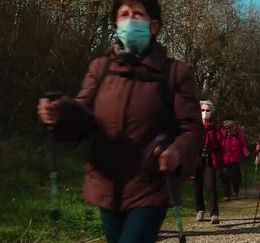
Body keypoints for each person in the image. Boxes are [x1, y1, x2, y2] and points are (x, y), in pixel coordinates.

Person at [37, 0, 204, 242]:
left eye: (138, 14)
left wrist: (177, 152)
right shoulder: (99, 68)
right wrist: (60, 113)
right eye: (124, 14)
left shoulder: (174, 72)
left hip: (150, 186)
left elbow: (192, 129)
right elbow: (83, 117)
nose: (130, 20)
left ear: (154, 26)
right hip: (106, 185)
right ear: (116, 23)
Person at [194, 100, 221, 224]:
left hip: (210, 158)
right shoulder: (194, 125)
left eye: (207, 110)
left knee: (211, 186)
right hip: (197, 158)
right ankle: (200, 210)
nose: (205, 113)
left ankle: (214, 214)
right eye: (203, 110)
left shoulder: (215, 126)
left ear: (212, 111)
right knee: (197, 187)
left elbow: (220, 144)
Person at [220, 120, 249, 200]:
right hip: (224, 160)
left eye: (230, 128)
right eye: (226, 128)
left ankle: (235, 191)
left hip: (235, 159)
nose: (228, 130)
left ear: (234, 128)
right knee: (225, 177)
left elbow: (243, 145)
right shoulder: (221, 135)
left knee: (236, 176)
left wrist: (245, 151)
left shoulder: (238, 135)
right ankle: (227, 194)